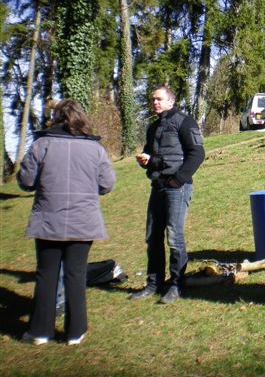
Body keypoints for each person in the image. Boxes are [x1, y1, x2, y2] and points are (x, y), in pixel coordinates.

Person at [18, 99, 116, 345]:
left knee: (47, 274)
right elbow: (107, 184)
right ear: (81, 118)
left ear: (57, 117)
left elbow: (26, 181)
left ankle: (40, 331)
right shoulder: (95, 149)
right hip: (82, 221)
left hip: (49, 219)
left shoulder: (42, 144)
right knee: (76, 274)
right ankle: (75, 332)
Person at [130, 86, 205, 304]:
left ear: (170, 101)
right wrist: (146, 160)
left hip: (177, 187)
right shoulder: (153, 127)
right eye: (153, 99)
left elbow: (198, 153)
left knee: (174, 236)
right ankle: (154, 284)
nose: (155, 102)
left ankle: (176, 285)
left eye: (159, 99)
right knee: (153, 237)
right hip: (157, 187)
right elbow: (152, 156)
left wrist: (178, 180)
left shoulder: (184, 121)